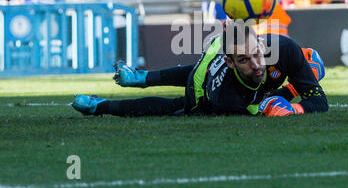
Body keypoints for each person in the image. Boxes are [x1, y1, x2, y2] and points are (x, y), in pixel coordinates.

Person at [71, 21, 328, 117]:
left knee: (310, 62)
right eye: (244, 60)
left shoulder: (286, 48)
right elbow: (261, 105)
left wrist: (296, 98)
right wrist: (288, 96)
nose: (256, 63)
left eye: (258, 53)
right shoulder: (226, 97)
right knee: (178, 105)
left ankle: (139, 77)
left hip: (217, 51)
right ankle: (100, 106)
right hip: (205, 91)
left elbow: (320, 102)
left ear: (262, 43)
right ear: (231, 62)